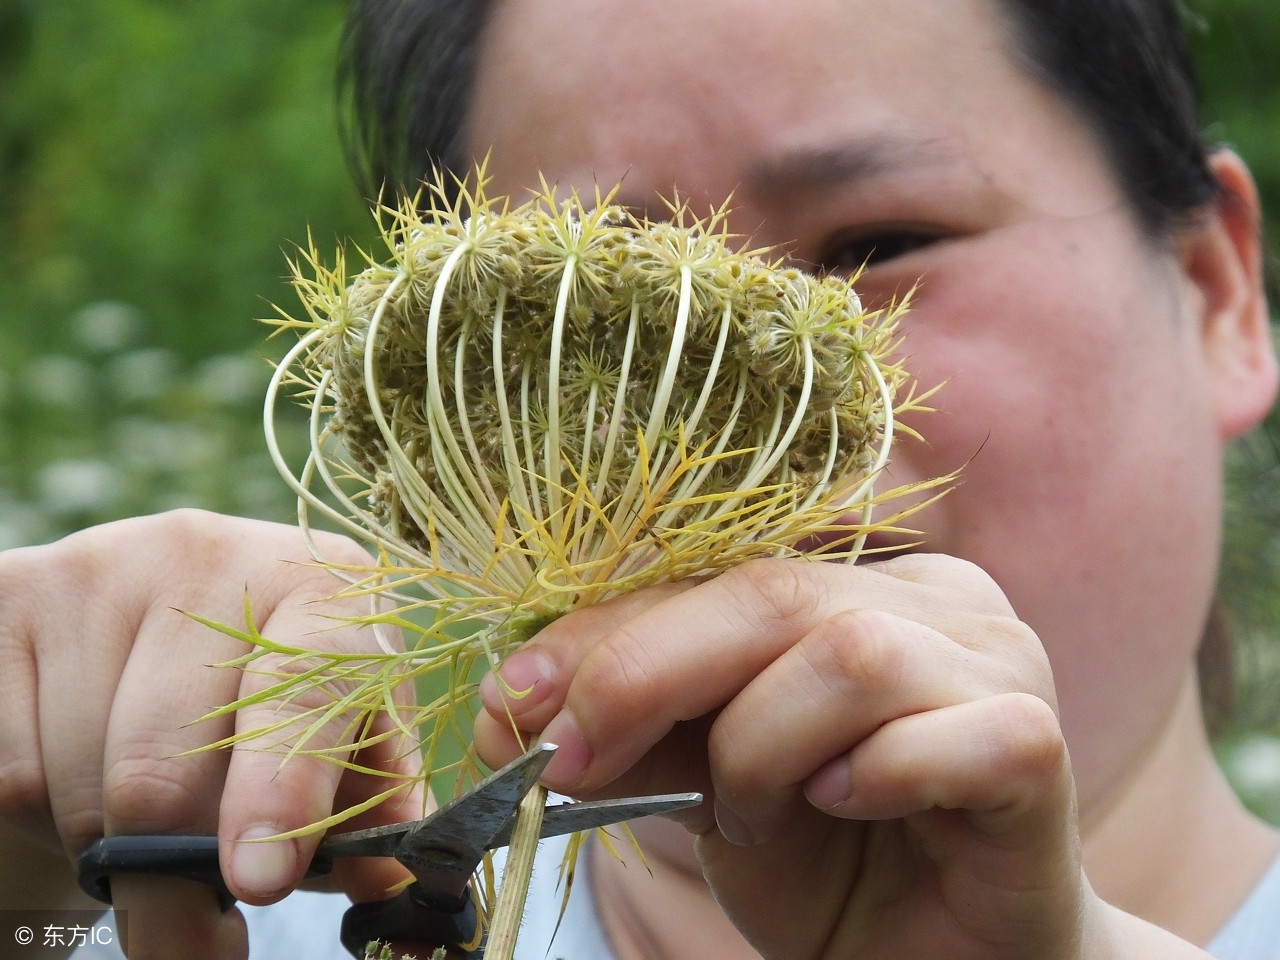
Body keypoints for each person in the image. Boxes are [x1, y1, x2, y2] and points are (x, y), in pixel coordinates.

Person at [3, 0, 1280, 957]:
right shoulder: (199, 895)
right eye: (571, 312)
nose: (733, 438)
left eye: (877, 243)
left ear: (1218, 296)